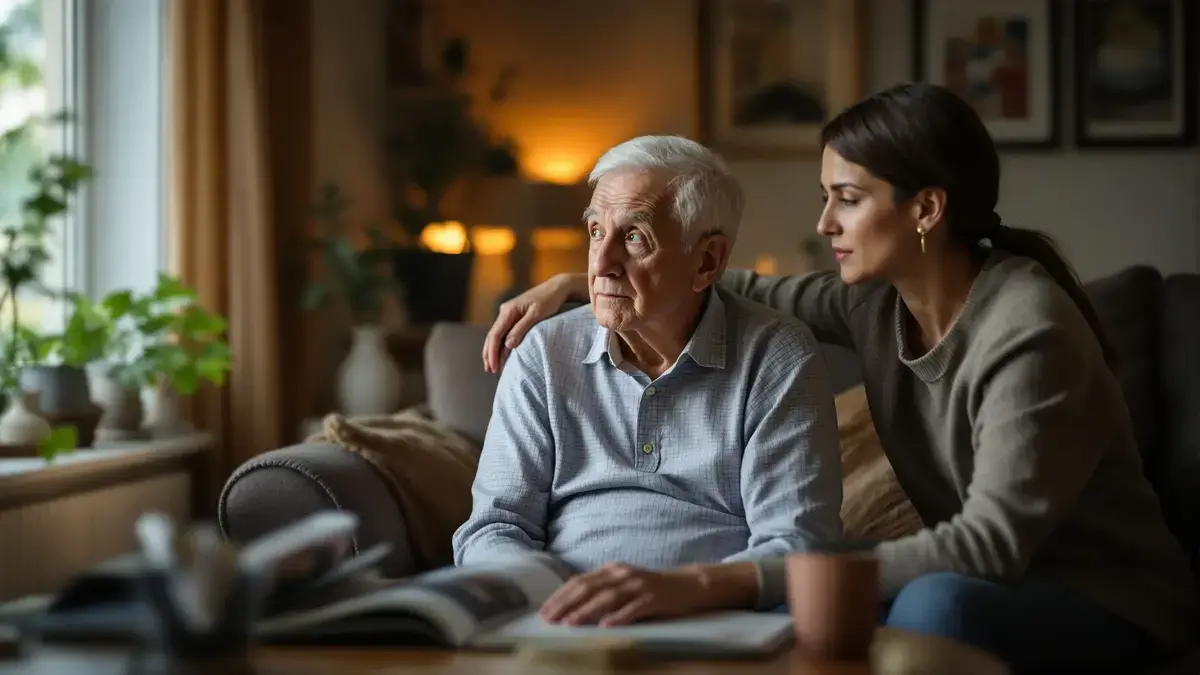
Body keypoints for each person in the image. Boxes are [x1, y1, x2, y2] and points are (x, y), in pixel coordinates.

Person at [481, 84, 1198, 672]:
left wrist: (717, 579)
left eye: (847, 198)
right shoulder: (874, 302)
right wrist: (590, 280)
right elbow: (707, 281)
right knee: (836, 606)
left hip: (1102, 595)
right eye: (825, 195)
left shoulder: (1028, 326)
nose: (824, 222)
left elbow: (988, 546)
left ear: (925, 208)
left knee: (924, 609)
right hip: (987, 582)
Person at [452, 135, 846, 623]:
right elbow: (493, 527)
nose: (601, 262)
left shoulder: (776, 355)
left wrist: (683, 592)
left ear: (707, 261)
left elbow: (798, 542)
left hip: (715, 621)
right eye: (596, 231)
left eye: (634, 237)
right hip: (557, 620)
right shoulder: (544, 353)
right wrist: (557, 600)